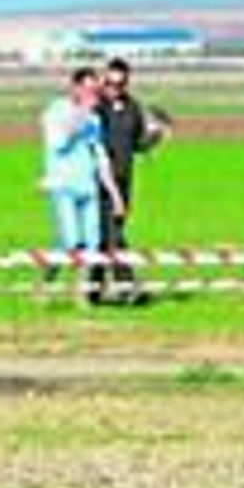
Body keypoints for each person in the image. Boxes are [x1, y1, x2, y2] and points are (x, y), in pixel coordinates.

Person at [40, 66, 124, 303]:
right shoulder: (56, 111)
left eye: (95, 92)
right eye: (88, 90)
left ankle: (82, 295)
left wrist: (114, 194)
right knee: (69, 243)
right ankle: (46, 281)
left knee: (92, 244)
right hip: (62, 186)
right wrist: (81, 114)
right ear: (75, 87)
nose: (93, 96)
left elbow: (100, 157)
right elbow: (60, 143)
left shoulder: (94, 121)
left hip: (88, 187)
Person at [96, 57, 170, 305]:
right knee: (111, 234)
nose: (115, 88)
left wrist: (157, 136)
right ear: (104, 79)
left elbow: (138, 144)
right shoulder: (96, 107)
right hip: (97, 181)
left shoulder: (132, 108)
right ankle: (127, 285)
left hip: (124, 180)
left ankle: (93, 291)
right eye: (110, 82)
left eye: (121, 83)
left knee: (106, 237)